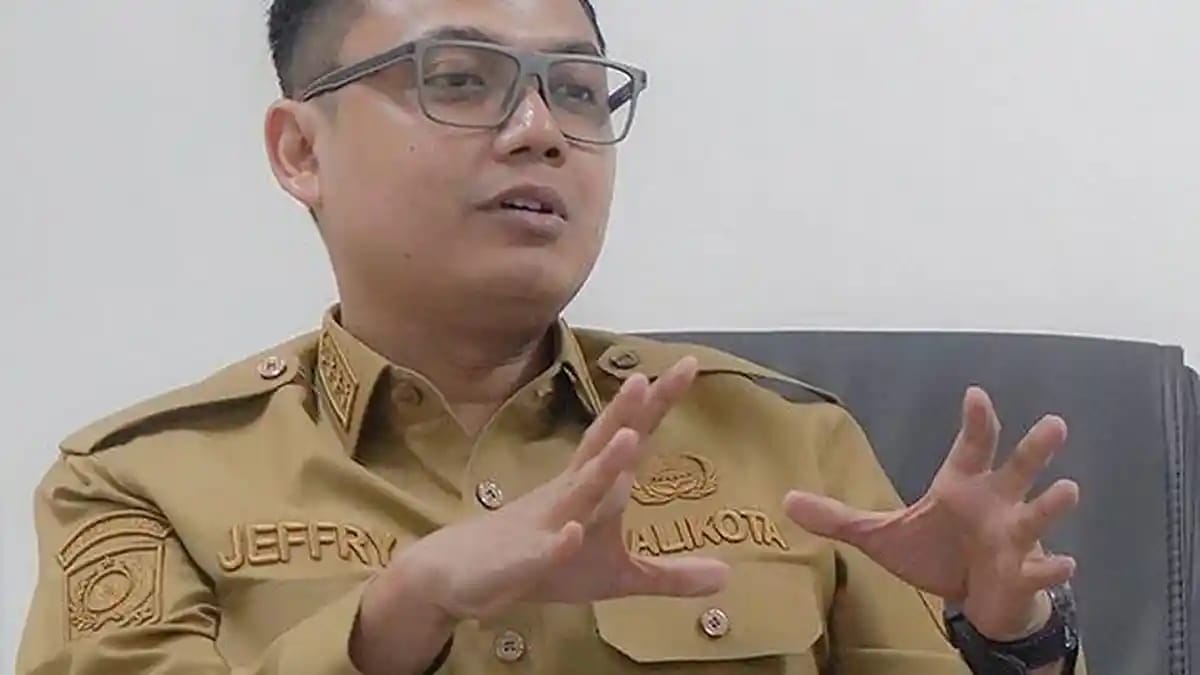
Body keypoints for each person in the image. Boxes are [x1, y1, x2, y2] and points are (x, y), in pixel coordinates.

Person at [16, 1, 1086, 673]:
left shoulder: (786, 443)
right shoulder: (141, 483)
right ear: (301, 150)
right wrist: (396, 615)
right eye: (457, 80)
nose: (540, 131)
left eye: (576, 91)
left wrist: (1014, 636)